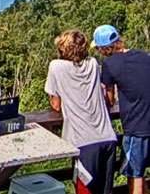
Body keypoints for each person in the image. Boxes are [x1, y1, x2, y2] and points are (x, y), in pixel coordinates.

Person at [45, 30, 117, 194]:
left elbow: (56, 104)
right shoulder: (92, 63)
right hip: (107, 137)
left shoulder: (56, 67)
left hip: (84, 142)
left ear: (63, 49)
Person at [95, 24, 150, 194]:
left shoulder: (109, 64)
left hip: (136, 126)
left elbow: (109, 99)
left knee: (135, 175)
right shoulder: (143, 56)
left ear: (102, 48)